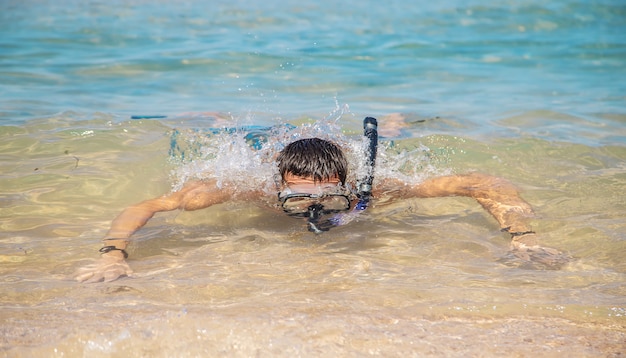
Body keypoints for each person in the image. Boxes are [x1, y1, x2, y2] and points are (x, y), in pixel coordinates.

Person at [76, 117, 568, 283]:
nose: (312, 211)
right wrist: (113, 253)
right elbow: (144, 206)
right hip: (267, 146)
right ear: (277, 188)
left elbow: (484, 182)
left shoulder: (375, 191)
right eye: (296, 201)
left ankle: (396, 120)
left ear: (346, 187)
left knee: (390, 133)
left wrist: (522, 237)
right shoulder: (243, 189)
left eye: (327, 200)